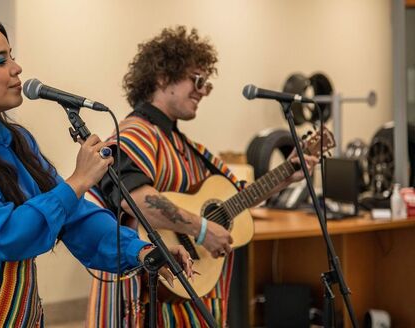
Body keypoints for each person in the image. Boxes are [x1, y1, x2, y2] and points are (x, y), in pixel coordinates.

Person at [0, 15, 193, 328]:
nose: (16, 68)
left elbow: (78, 219)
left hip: (19, 316)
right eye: (1, 61)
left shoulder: (17, 142)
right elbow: (5, 234)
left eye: (12, 57)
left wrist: (143, 250)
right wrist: (77, 182)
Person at [86, 26, 317, 327]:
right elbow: (135, 201)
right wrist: (203, 229)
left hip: (185, 299)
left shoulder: (187, 148)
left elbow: (238, 198)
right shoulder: (134, 133)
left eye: (206, 83)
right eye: (196, 80)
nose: (203, 90)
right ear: (161, 77)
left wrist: (288, 174)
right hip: (145, 300)